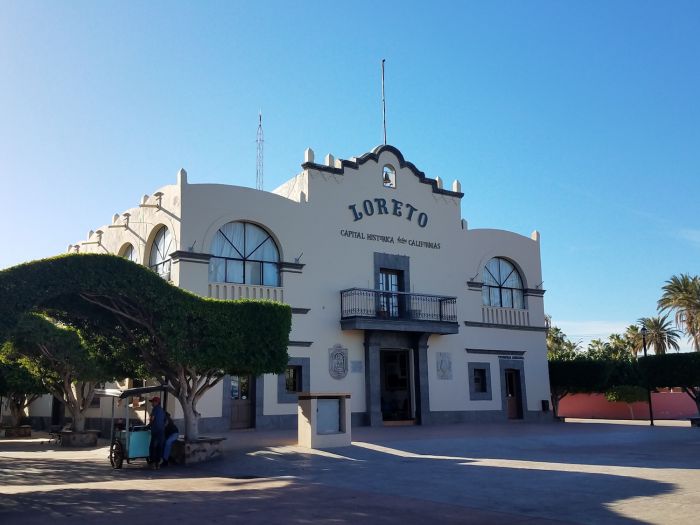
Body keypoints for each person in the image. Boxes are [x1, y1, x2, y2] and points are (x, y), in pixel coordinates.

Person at [145, 396, 165, 469]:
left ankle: (153, 463)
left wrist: (148, 425)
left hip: (156, 431)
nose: (152, 403)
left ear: (156, 402)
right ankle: (158, 463)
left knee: (153, 447)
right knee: (159, 447)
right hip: (161, 431)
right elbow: (164, 421)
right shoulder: (162, 410)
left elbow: (152, 419)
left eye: (153, 402)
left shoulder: (155, 409)